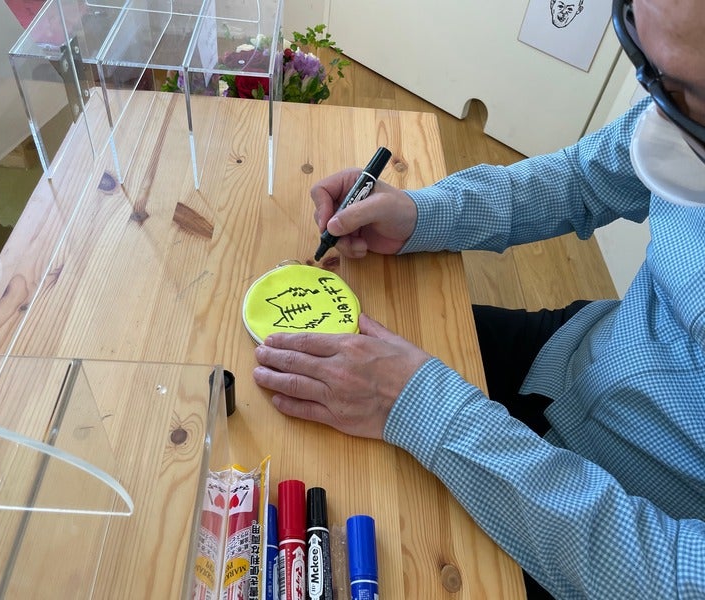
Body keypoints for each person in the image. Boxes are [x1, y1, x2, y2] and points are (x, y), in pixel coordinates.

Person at [252, 0, 705, 598]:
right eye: (641, 55)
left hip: (618, 525)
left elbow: (671, 575)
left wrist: (424, 408)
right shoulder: (679, 83)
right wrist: (423, 215)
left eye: (680, 93)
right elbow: (587, 177)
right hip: (576, 355)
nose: (655, 103)